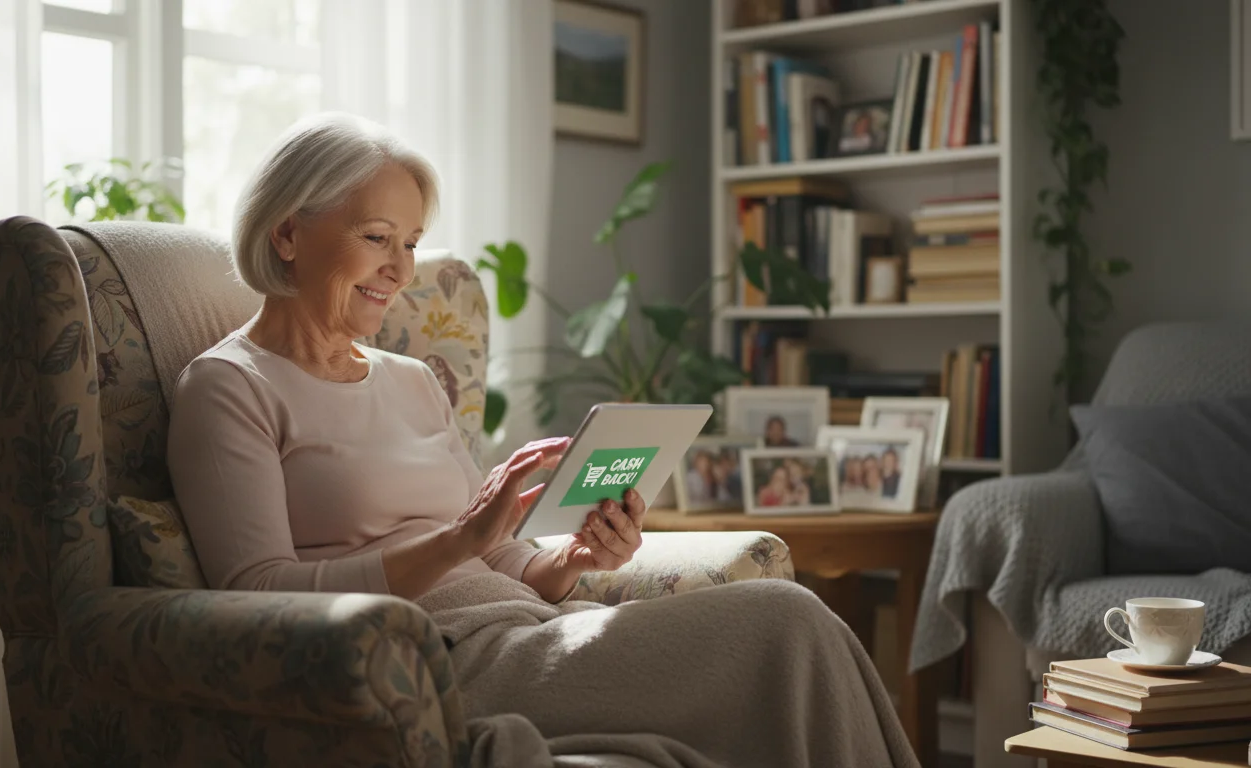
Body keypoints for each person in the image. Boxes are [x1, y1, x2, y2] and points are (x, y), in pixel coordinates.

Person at [166, 112, 917, 768]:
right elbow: (256, 596)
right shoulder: (230, 387)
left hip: (529, 627)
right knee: (786, 623)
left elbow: (503, 558)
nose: (400, 269)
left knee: (791, 628)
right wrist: (457, 543)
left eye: (412, 243)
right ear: (287, 233)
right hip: (431, 663)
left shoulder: (412, 380)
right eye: (377, 238)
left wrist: (575, 558)